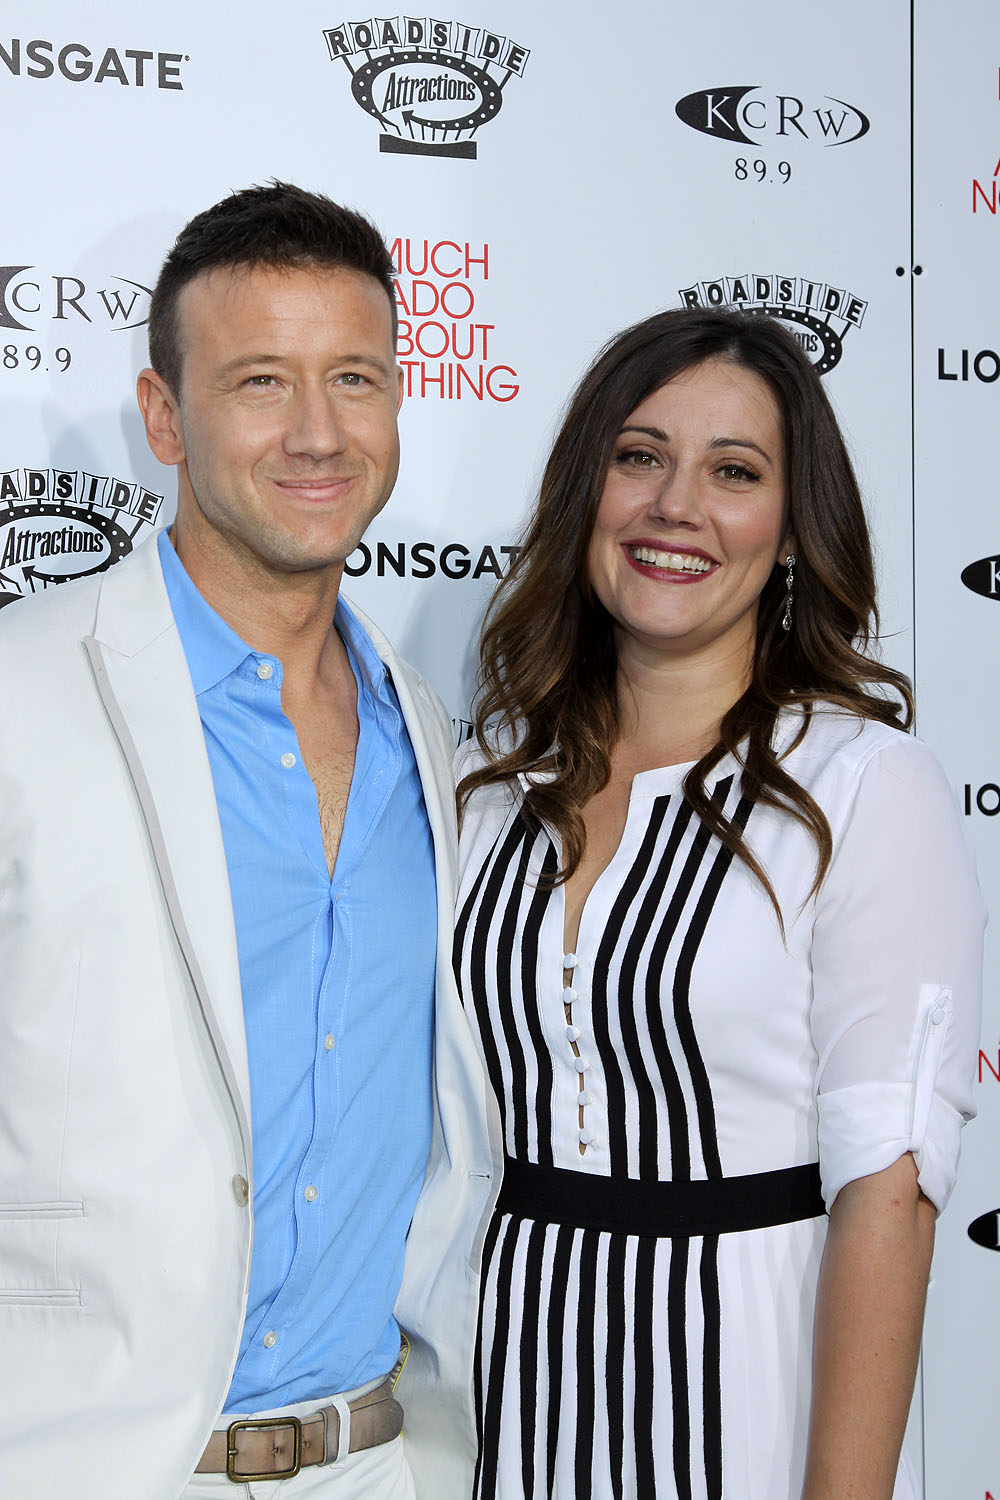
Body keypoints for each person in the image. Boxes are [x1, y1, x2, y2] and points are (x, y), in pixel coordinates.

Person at [0, 183, 500, 1500]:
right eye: (262, 382)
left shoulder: (429, 736)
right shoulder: (21, 691)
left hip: (380, 1461)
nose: (318, 433)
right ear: (164, 416)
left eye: (355, 379)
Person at [454, 306, 984, 1500]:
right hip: (504, 1405)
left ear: (791, 532)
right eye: (639, 457)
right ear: (585, 491)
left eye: (733, 472)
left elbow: (889, 1196)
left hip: (750, 1407)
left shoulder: (862, 786)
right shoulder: (489, 783)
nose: (674, 506)